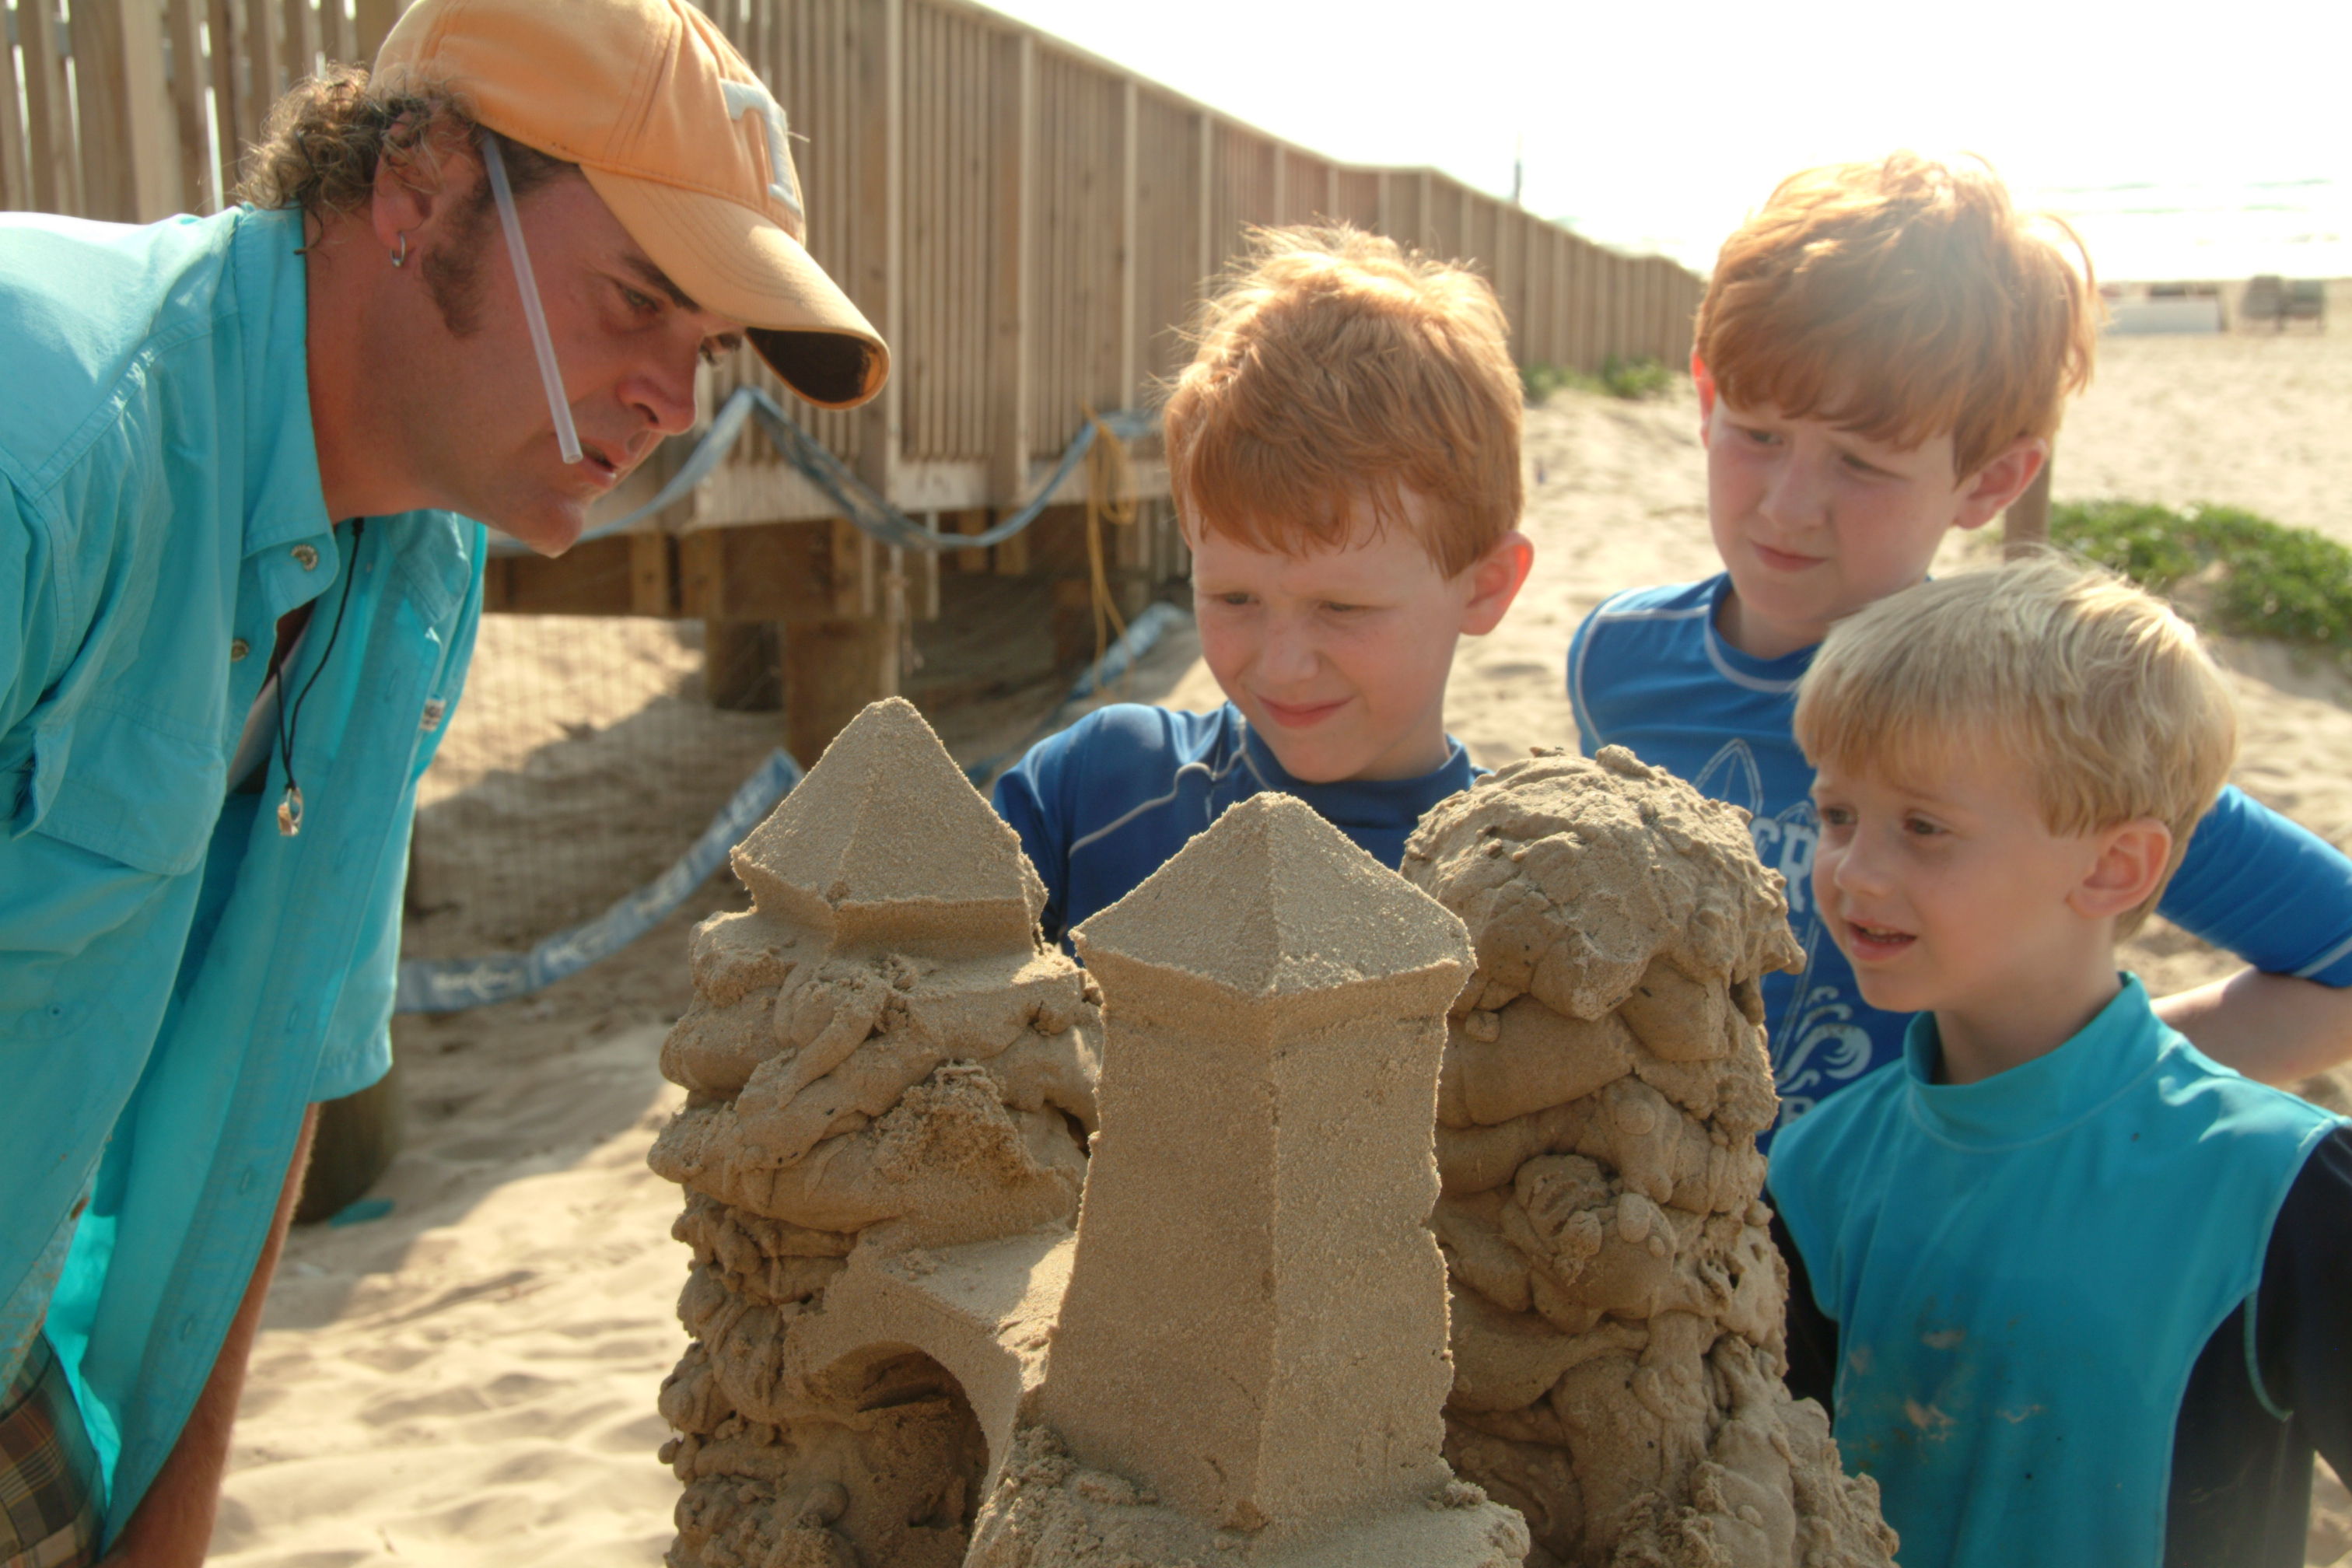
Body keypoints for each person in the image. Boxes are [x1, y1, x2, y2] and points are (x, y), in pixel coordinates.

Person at [0, 0, 887, 1559]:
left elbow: (273, 1076)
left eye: (708, 350)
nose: (672, 405)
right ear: (419, 182)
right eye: (635, 302)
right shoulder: (45, 445)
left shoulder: (418, 564)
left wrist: (168, 1526)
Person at [1566, 153, 2352, 1137]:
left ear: (1992, 479)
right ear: (1704, 395)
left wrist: (2064, 1090)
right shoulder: (1618, 661)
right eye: (1758, 433)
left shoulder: (2029, 720)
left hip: (1914, 1264)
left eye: (1861, 461)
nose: (1789, 505)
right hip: (1672, 1244)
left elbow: (2340, 958)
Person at [1766, 559, 2352, 1568]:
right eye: (1836, 816)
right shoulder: (1818, 1168)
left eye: (1924, 827)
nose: (1855, 871)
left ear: (2115, 867)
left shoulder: (2276, 1189)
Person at [992, 226, 1535, 943]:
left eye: (1342, 607)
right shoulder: (1093, 793)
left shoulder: (1521, 888)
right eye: (1234, 598)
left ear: (1485, 586)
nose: (1282, 665)